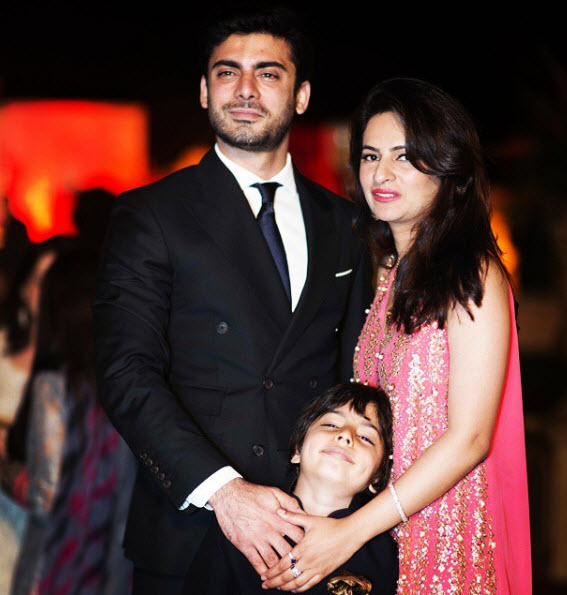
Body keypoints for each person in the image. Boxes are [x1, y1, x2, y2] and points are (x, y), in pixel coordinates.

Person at [92, 7, 370, 593]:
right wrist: (224, 492)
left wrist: (351, 518)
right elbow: (125, 372)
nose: (245, 89)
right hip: (192, 529)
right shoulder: (151, 214)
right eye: (227, 72)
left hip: (314, 535)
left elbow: (352, 374)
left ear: (300, 96)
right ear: (204, 90)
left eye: (268, 73)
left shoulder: (344, 223)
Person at [262, 78, 531, 594]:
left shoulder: (473, 274)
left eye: (404, 157)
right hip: (381, 531)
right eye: (370, 156)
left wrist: (349, 532)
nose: (380, 174)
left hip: (443, 523)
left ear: (446, 168)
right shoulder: (386, 273)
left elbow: (471, 439)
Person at [186, 383, 398, 594]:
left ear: (377, 477)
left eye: (365, 438)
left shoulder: (381, 552)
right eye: (331, 425)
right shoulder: (243, 520)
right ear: (297, 450)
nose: (345, 436)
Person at [1, 250, 129, 593]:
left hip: (56, 562)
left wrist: (5, 465)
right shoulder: (121, 383)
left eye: (43, 285)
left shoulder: (55, 387)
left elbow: (44, 493)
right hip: (103, 561)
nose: (33, 292)